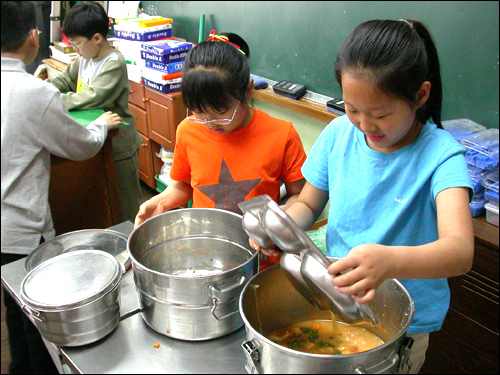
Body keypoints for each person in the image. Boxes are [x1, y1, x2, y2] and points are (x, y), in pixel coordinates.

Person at [255, 20, 474, 373]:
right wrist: (281, 228)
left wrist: (389, 262)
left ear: (420, 95)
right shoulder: (340, 133)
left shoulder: (442, 157)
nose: (364, 125)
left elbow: (460, 251)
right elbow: (308, 204)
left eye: (380, 114)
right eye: (353, 109)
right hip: (336, 304)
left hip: (402, 327)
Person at [1, 2, 123, 373]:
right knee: (36, 315)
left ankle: (21, 366)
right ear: (32, 36)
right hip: (21, 228)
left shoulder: (108, 62)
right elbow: (81, 145)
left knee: (13, 303)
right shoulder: (30, 93)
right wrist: (100, 125)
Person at [134, 31, 307, 231]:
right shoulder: (188, 129)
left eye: (221, 113)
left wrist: (277, 222)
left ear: (248, 90)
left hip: (260, 247)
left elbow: (300, 196)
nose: (211, 123)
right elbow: (185, 184)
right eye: (200, 113)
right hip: (206, 240)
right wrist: (161, 203)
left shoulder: (281, 134)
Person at [46, 1, 143, 223]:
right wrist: (44, 88)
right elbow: (66, 79)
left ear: (97, 38)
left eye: (78, 44)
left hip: (120, 145)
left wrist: (57, 100)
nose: (76, 49)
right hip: (99, 137)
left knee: (127, 205)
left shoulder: (113, 62)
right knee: (106, 200)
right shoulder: (85, 57)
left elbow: (94, 97)